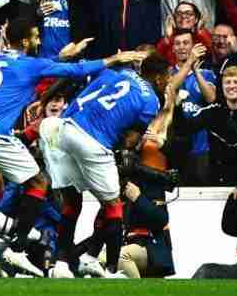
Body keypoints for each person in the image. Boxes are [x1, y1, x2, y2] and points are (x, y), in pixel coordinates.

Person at [0, 15, 111, 276]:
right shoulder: (29, 64)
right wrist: (112, 60)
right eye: (35, 35)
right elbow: (74, 72)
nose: (38, 39)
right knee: (39, 183)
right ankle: (17, 249)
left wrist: (64, 56)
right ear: (25, 40)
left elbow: (35, 67)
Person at [42, 52, 174, 278]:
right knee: (113, 205)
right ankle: (110, 268)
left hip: (62, 129)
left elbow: (81, 77)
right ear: (160, 78)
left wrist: (47, 97)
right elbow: (129, 141)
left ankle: (62, 264)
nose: (169, 83)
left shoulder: (120, 73)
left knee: (72, 201)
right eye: (168, 79)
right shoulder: (151, 100)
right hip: (93, 141)